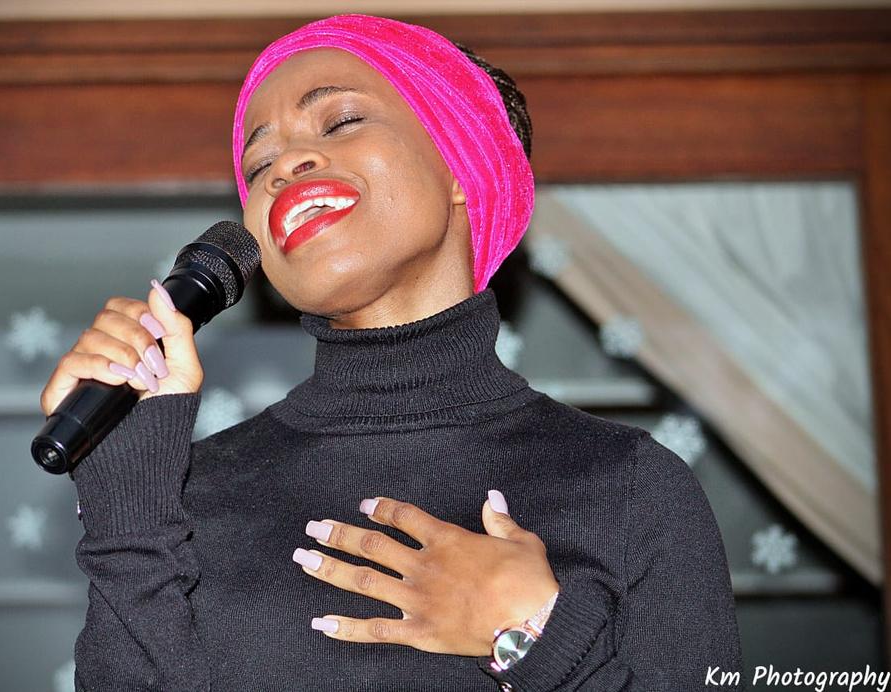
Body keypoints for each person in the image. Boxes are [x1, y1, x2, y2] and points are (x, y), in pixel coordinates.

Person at [40, 14, 743, 691]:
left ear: (462, 166)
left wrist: (535, 636)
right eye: (258, 164)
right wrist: (127, 497)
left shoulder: (629, 485)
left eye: (342, 121)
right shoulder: (188, 497)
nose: (285, 166)